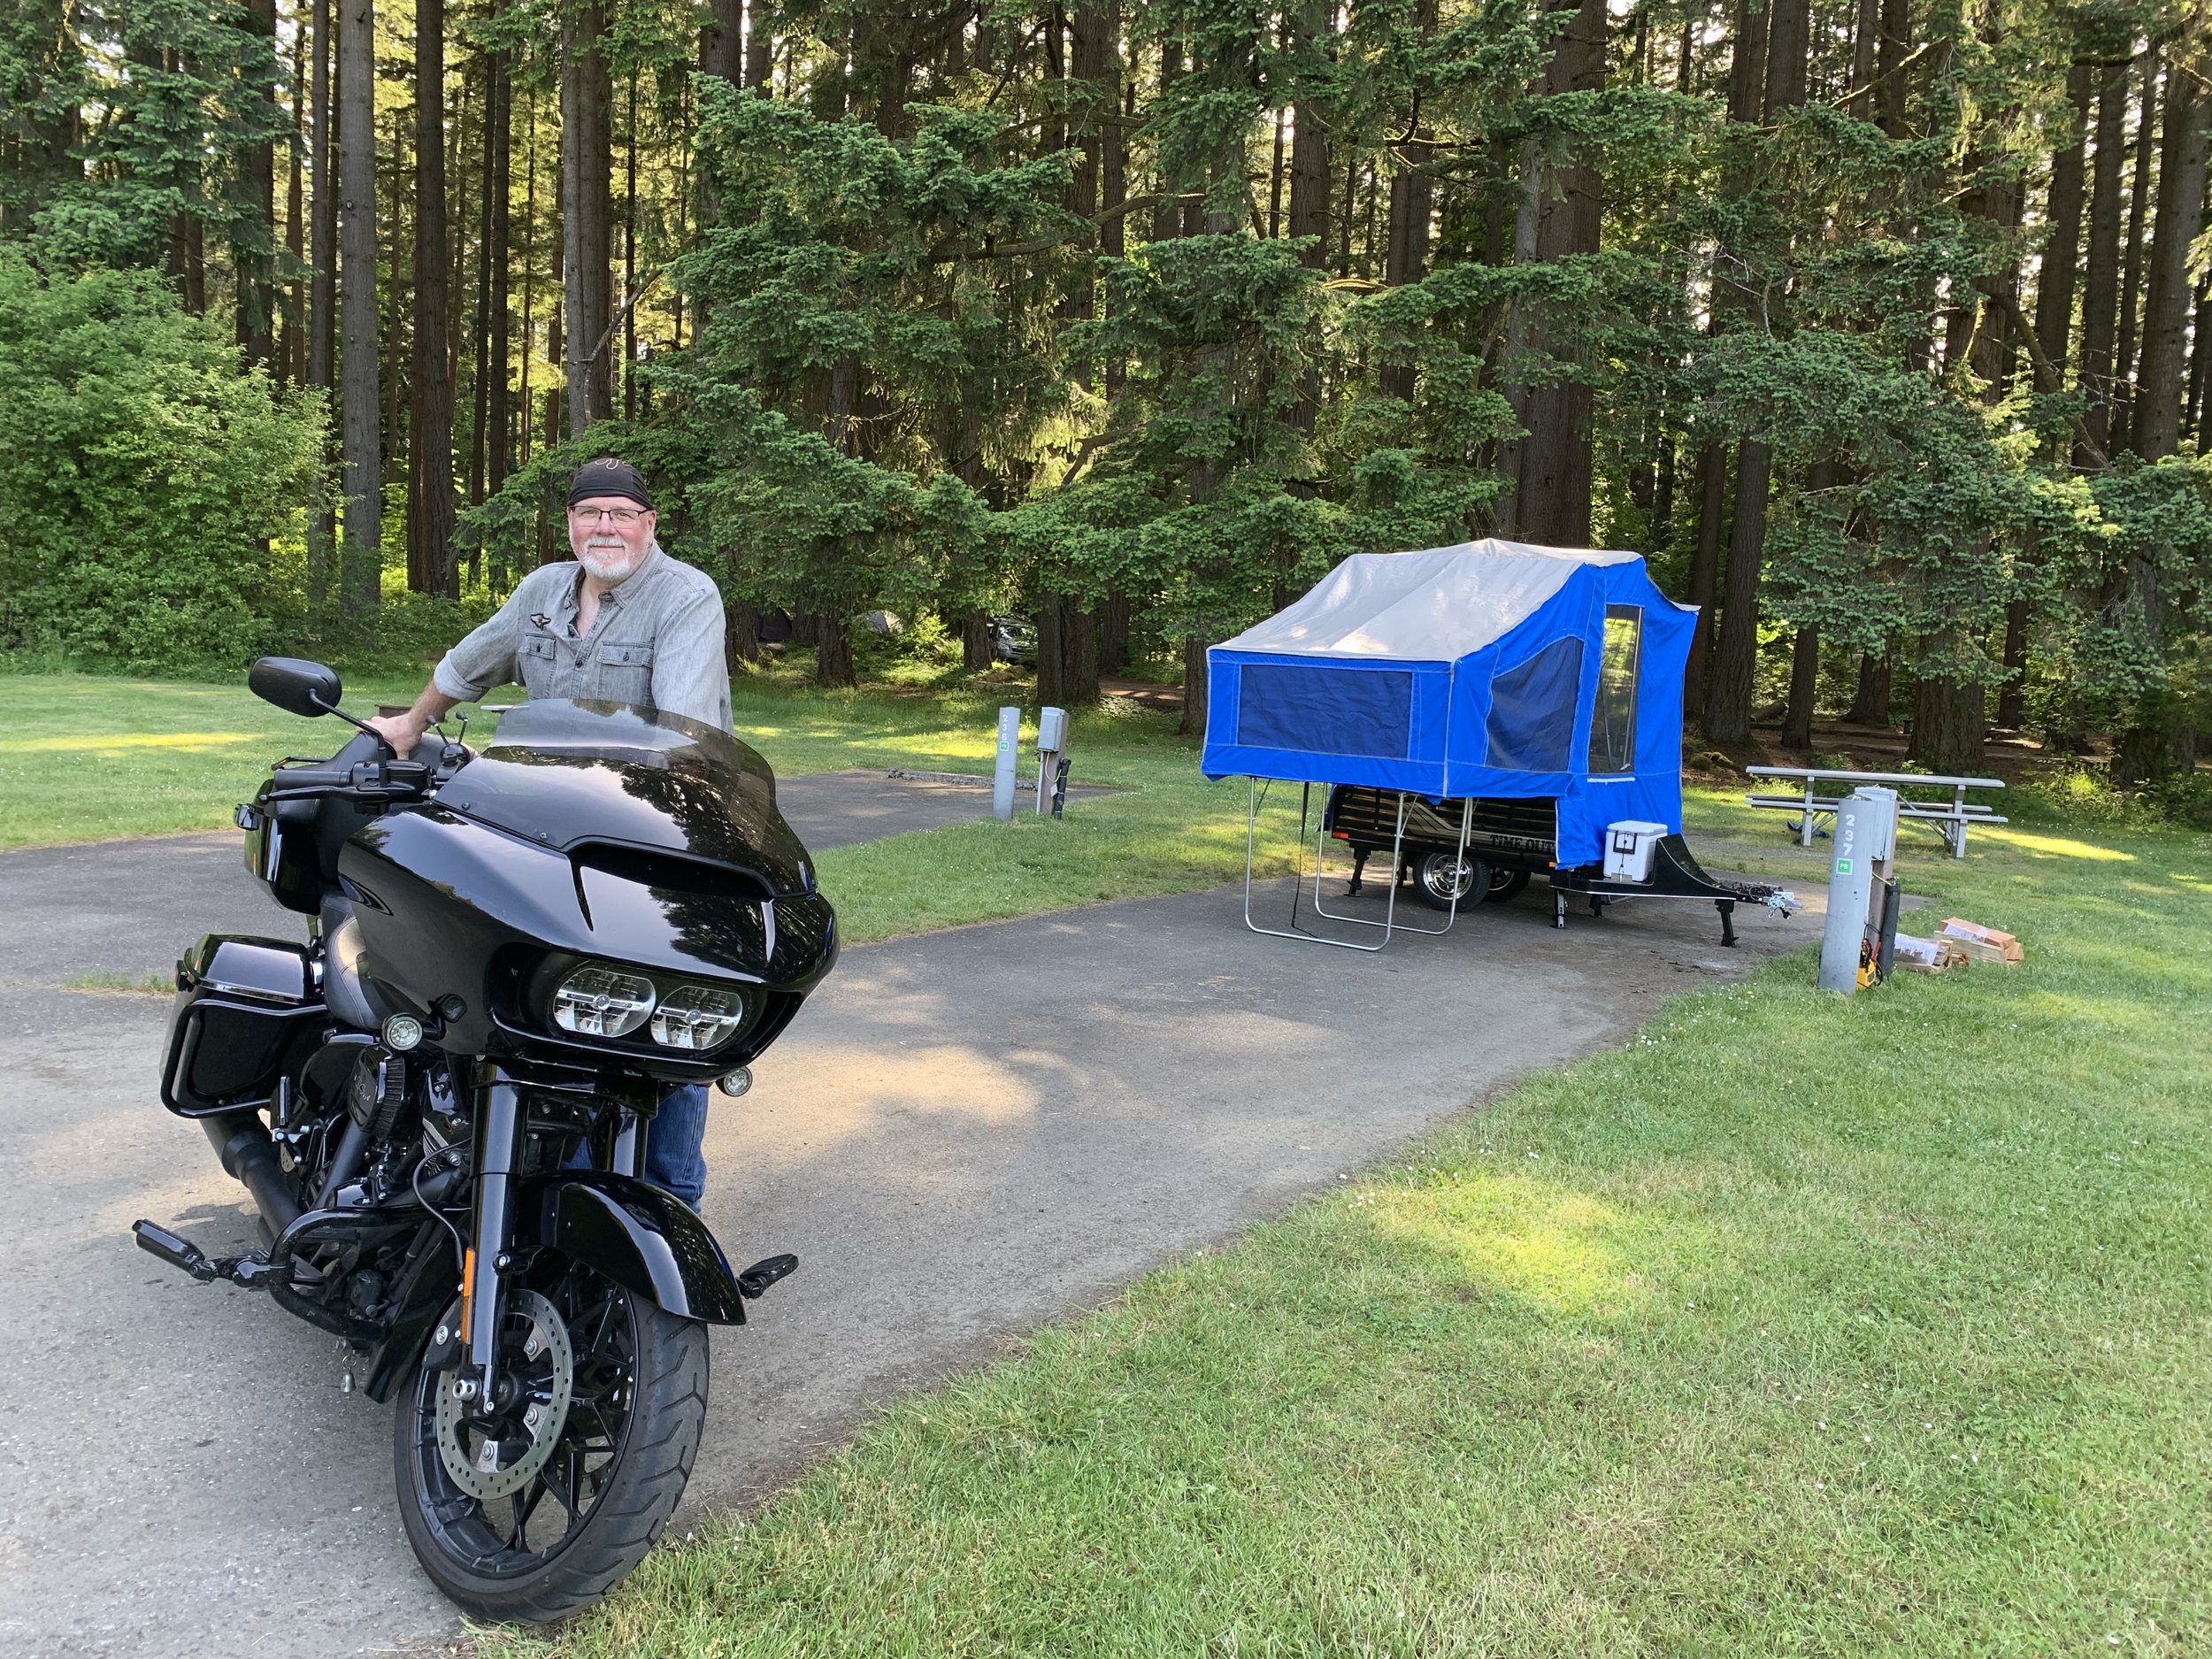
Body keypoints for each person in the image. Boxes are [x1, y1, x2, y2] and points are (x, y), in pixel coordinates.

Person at [367, 456, 729, 1209]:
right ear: (570, 524)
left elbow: (683, 736)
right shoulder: (541, 592)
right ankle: (525, 1169)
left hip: (654, 836)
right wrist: (409, 723)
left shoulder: (686, 596)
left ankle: (671, 1204)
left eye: (621, 514)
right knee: (533, 989)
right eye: (590, 513)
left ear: (648, 524)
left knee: (663, 1021)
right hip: (549, 839)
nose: (605, 527)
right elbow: (469, 665)